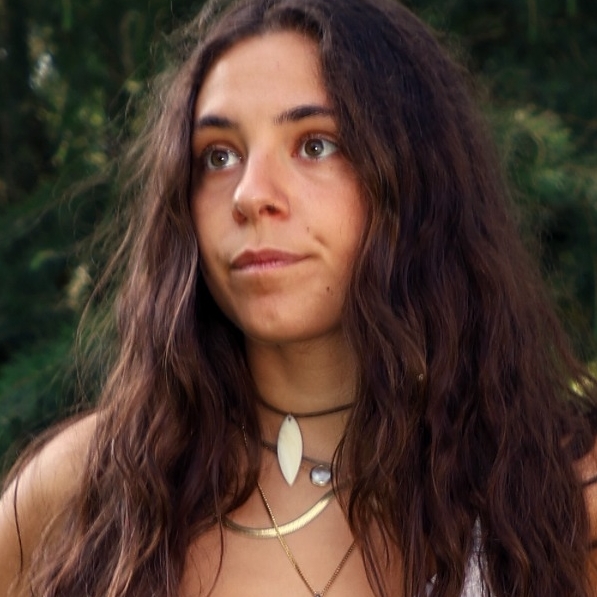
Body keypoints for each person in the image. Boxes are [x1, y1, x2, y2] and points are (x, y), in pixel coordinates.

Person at [1, 0, 597, 595]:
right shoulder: (90, 489)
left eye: (315, 145)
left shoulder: (559, 496)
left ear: (417, 182)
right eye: (219, 156)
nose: (249, 194)